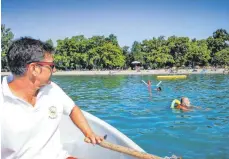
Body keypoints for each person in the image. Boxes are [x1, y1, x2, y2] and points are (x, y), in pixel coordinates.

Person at [1, 37, 103, 159]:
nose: (54, 70)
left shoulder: (51, 89)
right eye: (51, 65)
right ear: (34, 69)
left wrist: (89, 132)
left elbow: (72, 108)